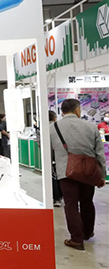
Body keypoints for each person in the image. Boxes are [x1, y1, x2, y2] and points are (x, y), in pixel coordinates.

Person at [49, 99, 106, 251]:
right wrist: (102, 175)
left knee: (71, 204)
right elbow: (100, 154)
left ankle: (76, 239)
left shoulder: (53, 128)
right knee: (87, 202)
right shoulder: (91, 126)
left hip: (66, 172)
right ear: (77, 110)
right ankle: (87, 232)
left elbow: (48, 151)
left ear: (62, 111)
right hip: (88, 171)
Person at [48, 110, 63, 207]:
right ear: (55, 118)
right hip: (60, 155)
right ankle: (60, 196)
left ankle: (55, 198)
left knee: (52, 177)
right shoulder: (58, 127)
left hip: (49, 156)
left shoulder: (43, 128)